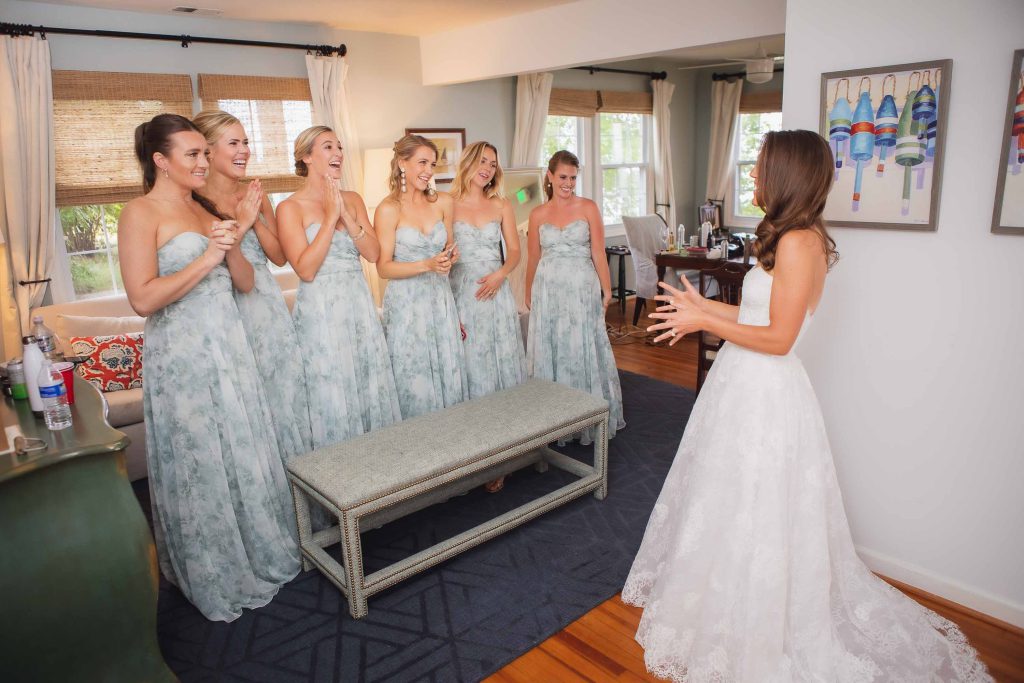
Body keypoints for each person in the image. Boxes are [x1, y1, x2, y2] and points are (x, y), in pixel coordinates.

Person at [622, 130, 991, 682]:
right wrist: (706, 309)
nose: (752, 175)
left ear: (787, 174)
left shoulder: (800, 242)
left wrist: (704, 319)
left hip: (766, 390)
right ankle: (728, 597)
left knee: (757, 502)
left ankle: (757, 618)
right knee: (732, 497)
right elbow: (759, 321)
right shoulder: (793, 236)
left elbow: (779, 338)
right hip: (744, 383)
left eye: (761, 166)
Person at [118, 113, 298, 622]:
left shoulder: (202, 208)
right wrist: (207, 257)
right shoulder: (140, 213)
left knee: (242, 446)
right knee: (202, 455)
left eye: (204, 153)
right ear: (161, 161)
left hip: (229, 344)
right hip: (183, 353)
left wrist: (237, 234)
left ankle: (256, 547)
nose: (203, 162)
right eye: (193, 154)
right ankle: (214, 565)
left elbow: (242, 282)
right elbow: (142, 299)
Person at [192, 109, 312, 459]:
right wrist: (240, 221)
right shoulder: (196, 203)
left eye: (246, 141)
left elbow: (277, 256)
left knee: (284, 398)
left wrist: (255, 215)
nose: (245, 150)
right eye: (234, 143)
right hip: (226, 312)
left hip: (267, 307)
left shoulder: (258, 194)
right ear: (208, 151)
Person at [276, 126, 400, 446]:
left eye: (339, 147)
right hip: (320, 314)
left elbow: (373, 255)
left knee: (367, 383)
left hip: (358, 305)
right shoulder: (289, 208)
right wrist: (331, 219)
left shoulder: (353, 199)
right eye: (328, 147)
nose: (338, 154)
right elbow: (304, 269)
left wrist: (346, 213)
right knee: (330, 389)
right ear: (307, 157)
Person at [524, 150, 624, 444]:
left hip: (582, 289)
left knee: (582, 346)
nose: (568, 183)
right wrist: (529, 293)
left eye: (573, 178)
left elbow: (598, 252)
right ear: (550, 176)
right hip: (548, 290)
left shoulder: (588, 208)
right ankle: (552, 418)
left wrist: (607, 291)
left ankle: (586, 416)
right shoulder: (537, 214)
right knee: (552, 346)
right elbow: (533, 257)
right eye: (563, 177)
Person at [449, 141, 527, 492]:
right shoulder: (446, 204)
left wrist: (500, 275)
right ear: (468, 162)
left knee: (501, 366)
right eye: (482, 161)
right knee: (473, 368)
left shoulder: (501, 204)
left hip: (495, 291)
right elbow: (444, 252)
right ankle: (474, 456)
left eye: (493, 164)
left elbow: (514, 250)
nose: (488, 168)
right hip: (463, 291)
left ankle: (506, 455)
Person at [375, 134, 467, 418]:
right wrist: (426, 265)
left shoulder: (444, 203)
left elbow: (449, 248)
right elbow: (383, 267)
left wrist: (449, 258)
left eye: (433, 164)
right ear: (402, 163)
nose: (428, 171)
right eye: (422, 162)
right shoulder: (388, 209)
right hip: (406, 306)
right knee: (413, 375)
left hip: (440, 301)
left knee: (446, 370)